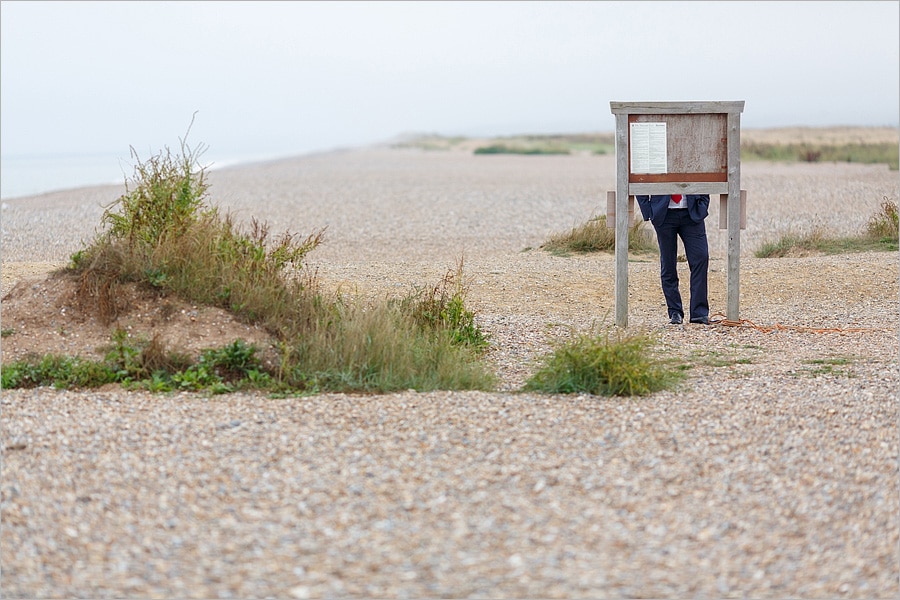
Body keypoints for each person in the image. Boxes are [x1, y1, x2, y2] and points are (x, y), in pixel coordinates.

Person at [636, 193, 711, 325]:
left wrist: (703, 203)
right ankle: (675, 311)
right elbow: (641, 178)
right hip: (663, 214)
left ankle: (699, 313)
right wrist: (648, 210)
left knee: (701, 258)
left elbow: (706, 177)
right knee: (668, 263)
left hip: (692, 212)